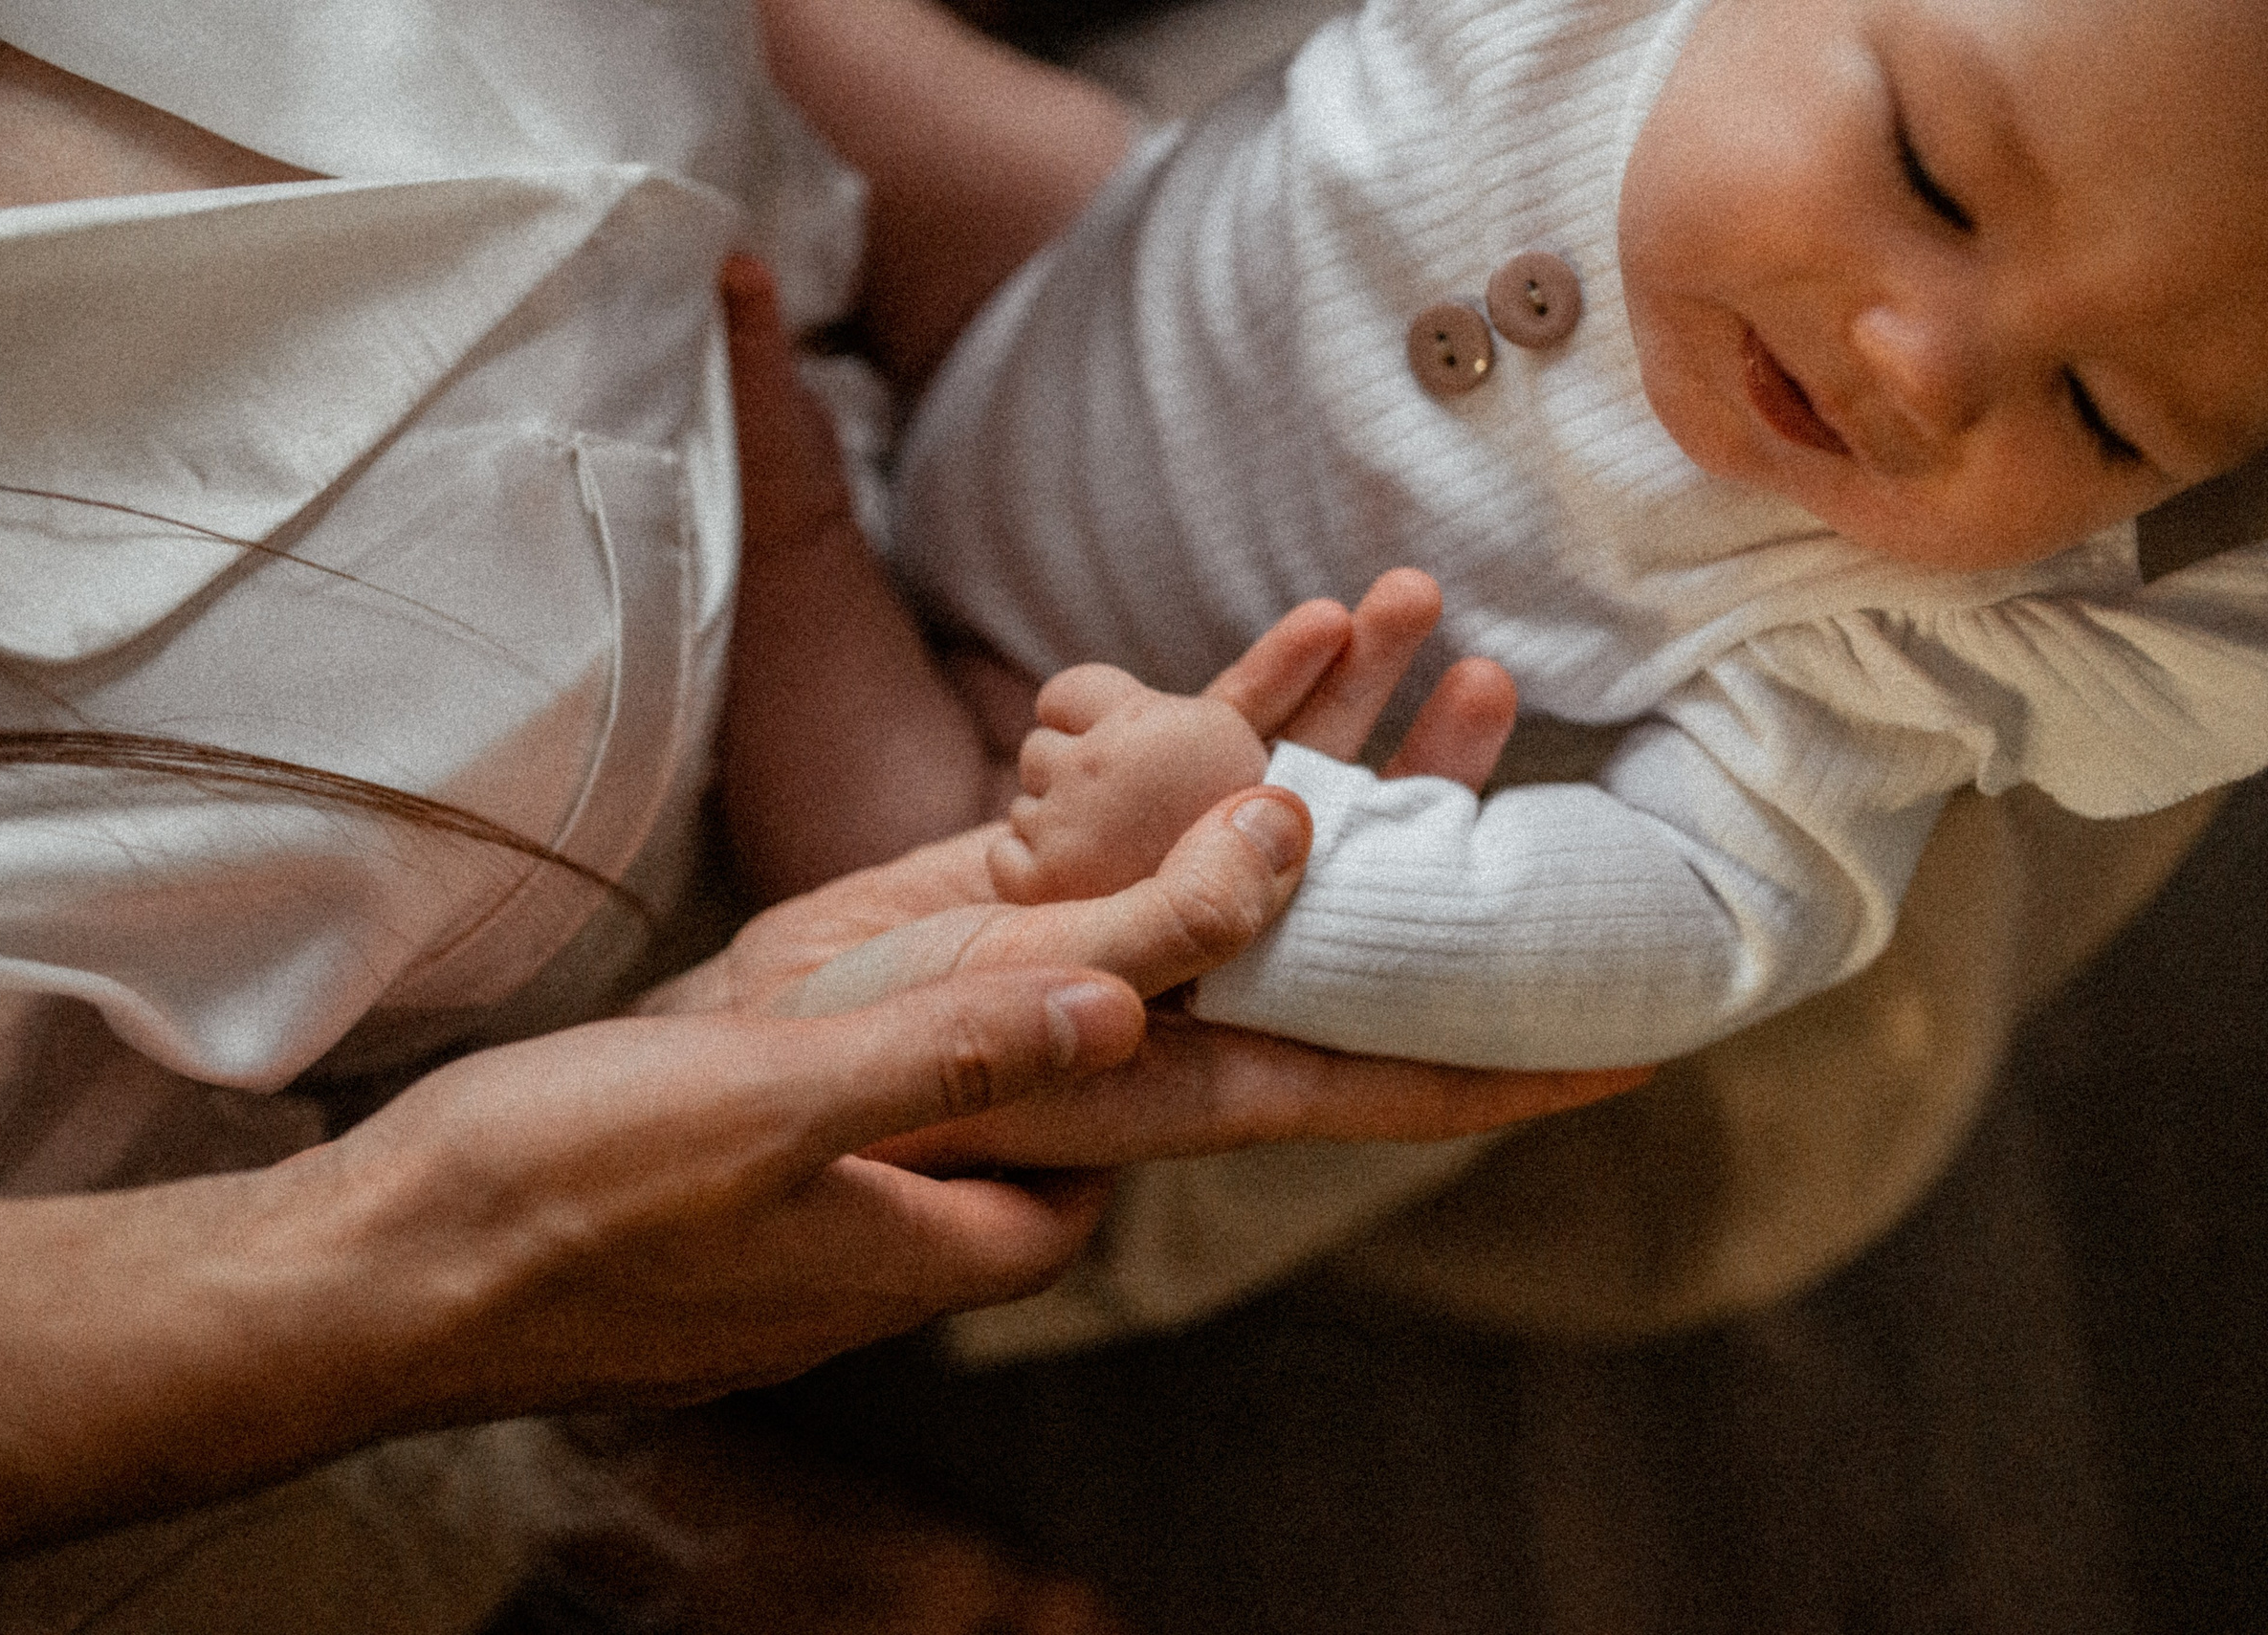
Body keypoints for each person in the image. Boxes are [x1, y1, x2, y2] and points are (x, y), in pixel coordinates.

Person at [0, 1, 1637, 1627]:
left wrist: (1032, 213)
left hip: (806, 211)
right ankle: (540, 1480)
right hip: (706, 848)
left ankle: (561, 1463)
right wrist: (392, 1283)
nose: (1922, 359)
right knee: (1751, 1090)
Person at [747, 0, 2268, 1080]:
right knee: (797, 39)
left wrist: (1263, 855)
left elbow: (1701, 913)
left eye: (2103, 417)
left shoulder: (1895, 622)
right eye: (1931, 174)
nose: (1930, 371)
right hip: (1073, 248)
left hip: (1037, 723)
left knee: (925, 909)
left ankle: (777, 524)